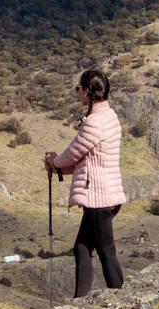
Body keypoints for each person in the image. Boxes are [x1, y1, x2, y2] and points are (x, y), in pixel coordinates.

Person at [44, 67, 126, 296]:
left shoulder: (94, 123)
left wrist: (54, 161)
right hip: (107, 195)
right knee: (82, 247)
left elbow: (72, 154)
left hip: (99, 199)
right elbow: (85, 159)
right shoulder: (109, 117)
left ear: (89, 92)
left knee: (106, 251)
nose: (77, 91)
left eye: (79, 88)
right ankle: (80, 300)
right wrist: (58, 166)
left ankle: (122, 298)